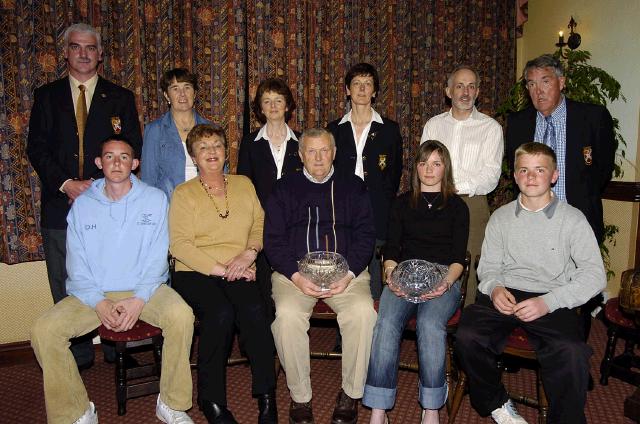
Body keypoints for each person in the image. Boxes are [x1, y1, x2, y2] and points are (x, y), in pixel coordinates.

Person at [30, 136, 195, 424]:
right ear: (99, 162)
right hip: (94, 292)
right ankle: (77, 411)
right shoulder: (82, 205)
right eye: (109, 156)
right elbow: (76, 263)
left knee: (181, 315)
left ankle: (171, 403)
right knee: (44, 331)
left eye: (123, 157)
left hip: (147, 288)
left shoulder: (155, 199)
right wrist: (99, 303)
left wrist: (139, 299)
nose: (116, 162)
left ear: (135, 163)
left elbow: (158, 257)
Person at [455, 143, 606, 424]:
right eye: (524, 170)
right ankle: (496, 403)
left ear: (554, 175)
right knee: (466, 337)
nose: (531, 176)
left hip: (550, 297)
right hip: (505, 293)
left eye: (540, 170)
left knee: (572, 354)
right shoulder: (500, 217)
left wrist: (548, 301)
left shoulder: (572, 220)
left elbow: (594, 276)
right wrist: (495, 287)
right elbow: (488, 267)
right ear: (514, 176)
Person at [27, 22, 142, 369]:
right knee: (65, 277)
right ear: (66, 52)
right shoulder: (46, 96)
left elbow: (131, 148)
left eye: (90, 48)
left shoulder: (119, 97)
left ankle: (115, 345)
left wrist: (97, 186)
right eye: (76, 47)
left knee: (112, 273)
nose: (83, 53)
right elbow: (37, 148)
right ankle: (76, 352)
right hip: (59, 202)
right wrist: (66, 183)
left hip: (108, 202)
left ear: (100, 54)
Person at [264, 127, 377, 424]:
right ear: (300, 155)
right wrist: (297, 276)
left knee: (363, 313)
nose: (318, 157)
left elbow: (367, 235)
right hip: (295, 274)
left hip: (346, 273)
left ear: (335, 154)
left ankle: (351, 393)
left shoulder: (354, 186)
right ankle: (300, 397)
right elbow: (273, 241)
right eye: (311, 151)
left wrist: (350, 272)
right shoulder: (283, 188)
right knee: (287, 317)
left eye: (324, 150)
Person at [169, 124, 277, 424]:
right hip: (195, 271)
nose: (211, 152)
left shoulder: (243, 183)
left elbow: (260, 223)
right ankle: (211, 400)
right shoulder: (183, 193)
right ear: (193, 156)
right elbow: (180, 245)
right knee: (220, 313)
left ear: (226, 151)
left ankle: (267, 396)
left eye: (216, 145)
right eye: (203, 147)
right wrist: (223, 270)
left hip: (240, 265)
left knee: (255, 310)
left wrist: (249, 253)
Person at [363, 140, 469, 424]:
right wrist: (390, 276)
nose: (429, 169)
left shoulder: (458, 207)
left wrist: (445, 283)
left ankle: (431, 407)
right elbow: (392, 250)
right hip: (403, 276)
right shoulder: (401, 203)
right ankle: (378, 409)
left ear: (445, 167)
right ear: (416, 167)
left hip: (443, 277)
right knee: (385, 323)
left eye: (436, 163)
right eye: (423, 163)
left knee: (429, 324)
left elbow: (460, 258)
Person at [505, 54, 615, 245]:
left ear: (561, 82)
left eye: (545, 82)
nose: (538, 91)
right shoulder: (517, 123)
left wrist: (582, 195)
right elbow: (515, 168)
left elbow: (603, 169)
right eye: (531, 84)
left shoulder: (592, 118)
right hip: (531, 222)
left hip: (579, 221)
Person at [421, 65, 503, 305]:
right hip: (434, 201)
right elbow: (424, 165)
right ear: (448, 91)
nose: (465, 92)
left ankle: (465, 328)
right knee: (433, 258)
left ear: (478, 92)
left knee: (471, 264)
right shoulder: (433, 126)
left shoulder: (490, 128)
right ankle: (430, 313)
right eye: (459, 86)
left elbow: (490, 176)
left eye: (471, 86)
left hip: (472, 203)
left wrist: (452, 185)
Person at [327, 63, 403, 300]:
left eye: (368, 83)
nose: (362, 89)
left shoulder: (390, 130)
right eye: (356, 84)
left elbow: (394, 175)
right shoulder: (334, 130)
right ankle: (345, 334)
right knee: (345, 269)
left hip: (378, 212)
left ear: (375, 91)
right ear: (347, 90)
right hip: (342, 213)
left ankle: (376, 330)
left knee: (375, 275)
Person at [237, 78, 303, 317]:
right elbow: (243, 187)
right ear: (260, 109)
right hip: (260, 225)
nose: (273, 106)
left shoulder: (303, 142)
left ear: (287, 106)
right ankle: (266, 337)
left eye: (278, 100)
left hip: (296, 225)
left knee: (291, 285)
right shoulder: (250, 143)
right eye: (267, 101)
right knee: (263, 285)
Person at [141, 68, 212, 200]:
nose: (182, 94)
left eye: (187, 87)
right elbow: (148, 179)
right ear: (167, 95)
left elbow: (221, 174)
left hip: (206, 204)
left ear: (195, 93)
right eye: (175, 88)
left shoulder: (211, 129)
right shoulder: (155, 130)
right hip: (169, 205)